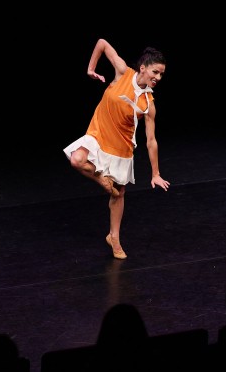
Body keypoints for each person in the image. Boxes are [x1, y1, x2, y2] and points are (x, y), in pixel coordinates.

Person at [64, 39, 170, 259]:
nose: (158, 78)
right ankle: (102, 180)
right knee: (77, 160)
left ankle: (114, 237)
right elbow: (102, 43)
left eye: (161, 74)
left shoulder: (149, 104)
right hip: (98, 134)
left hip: (122, 146)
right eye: (155, 72)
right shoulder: (123, 72)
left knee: (118, 194)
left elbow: (151, 141)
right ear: (143, 68)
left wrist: (156, 173)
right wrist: (91, 69)